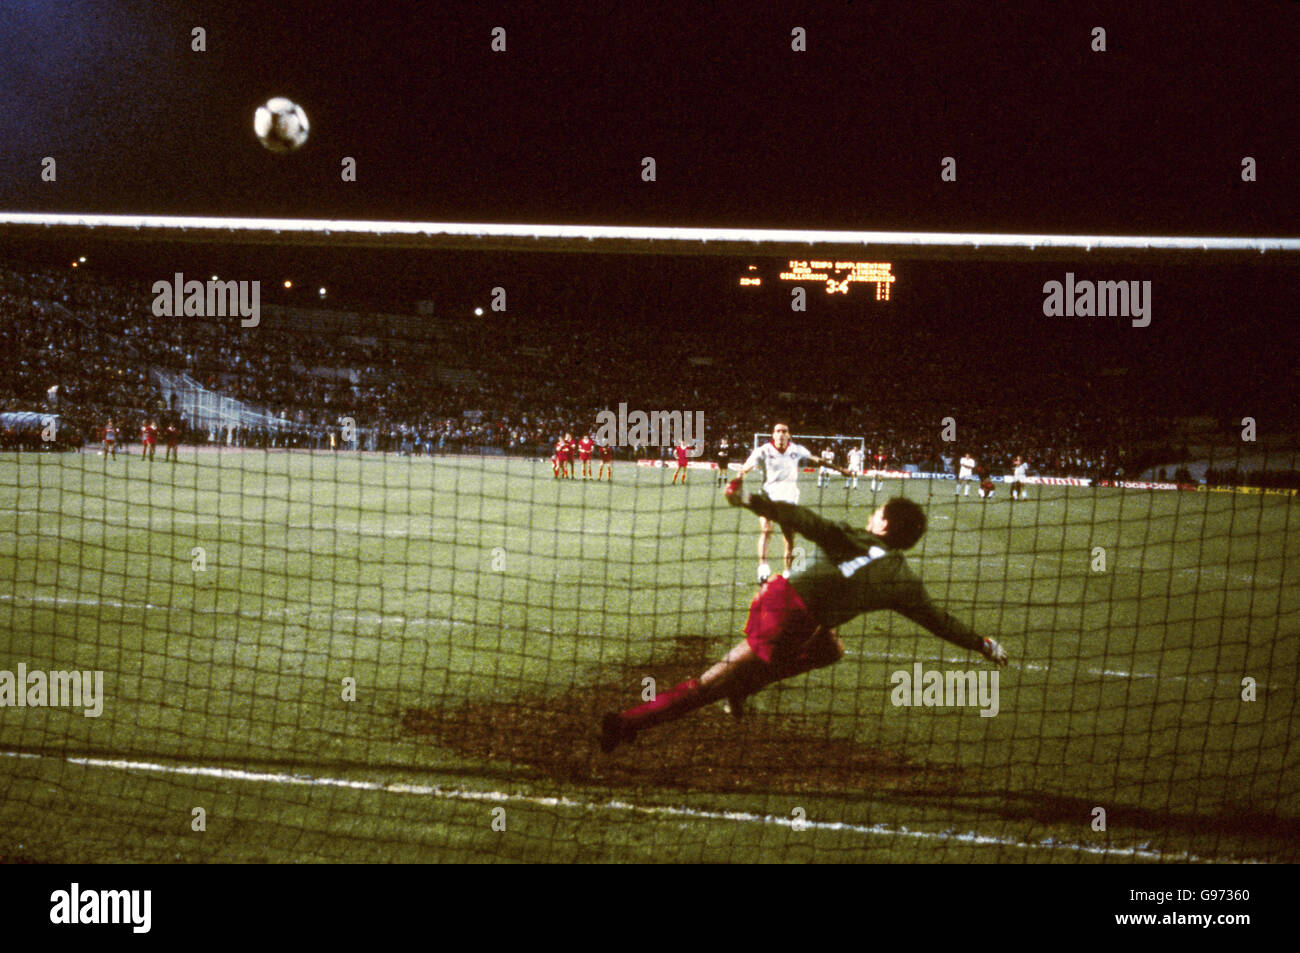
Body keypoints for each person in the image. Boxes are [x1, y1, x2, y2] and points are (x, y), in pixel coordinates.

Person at [599, 482, 1009, 752]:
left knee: (830, 648)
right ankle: (627, 723)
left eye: (877, 511)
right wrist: (982, 643)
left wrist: (752, 501)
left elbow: (807, 521)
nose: (872, 514)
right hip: (791, 615)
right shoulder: (903, 581)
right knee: (711, 685)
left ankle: (738, 690)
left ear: (883, 524)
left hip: (783, 609)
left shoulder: (852, 537)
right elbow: (938, 620)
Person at [738, 423, 848, 583]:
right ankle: (763, 569)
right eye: (778, 431)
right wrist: (739, 477)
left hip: (789, 500)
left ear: (789, 435)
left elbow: (816, 460)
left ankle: (788, 573)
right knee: (766, 530)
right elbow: (745, 467)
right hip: (768, 498)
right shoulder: (763, 451)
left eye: (784, 431)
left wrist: (840, 469)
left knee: (789, 538)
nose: (781, 434)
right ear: (773, 434)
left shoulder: (796, 450)